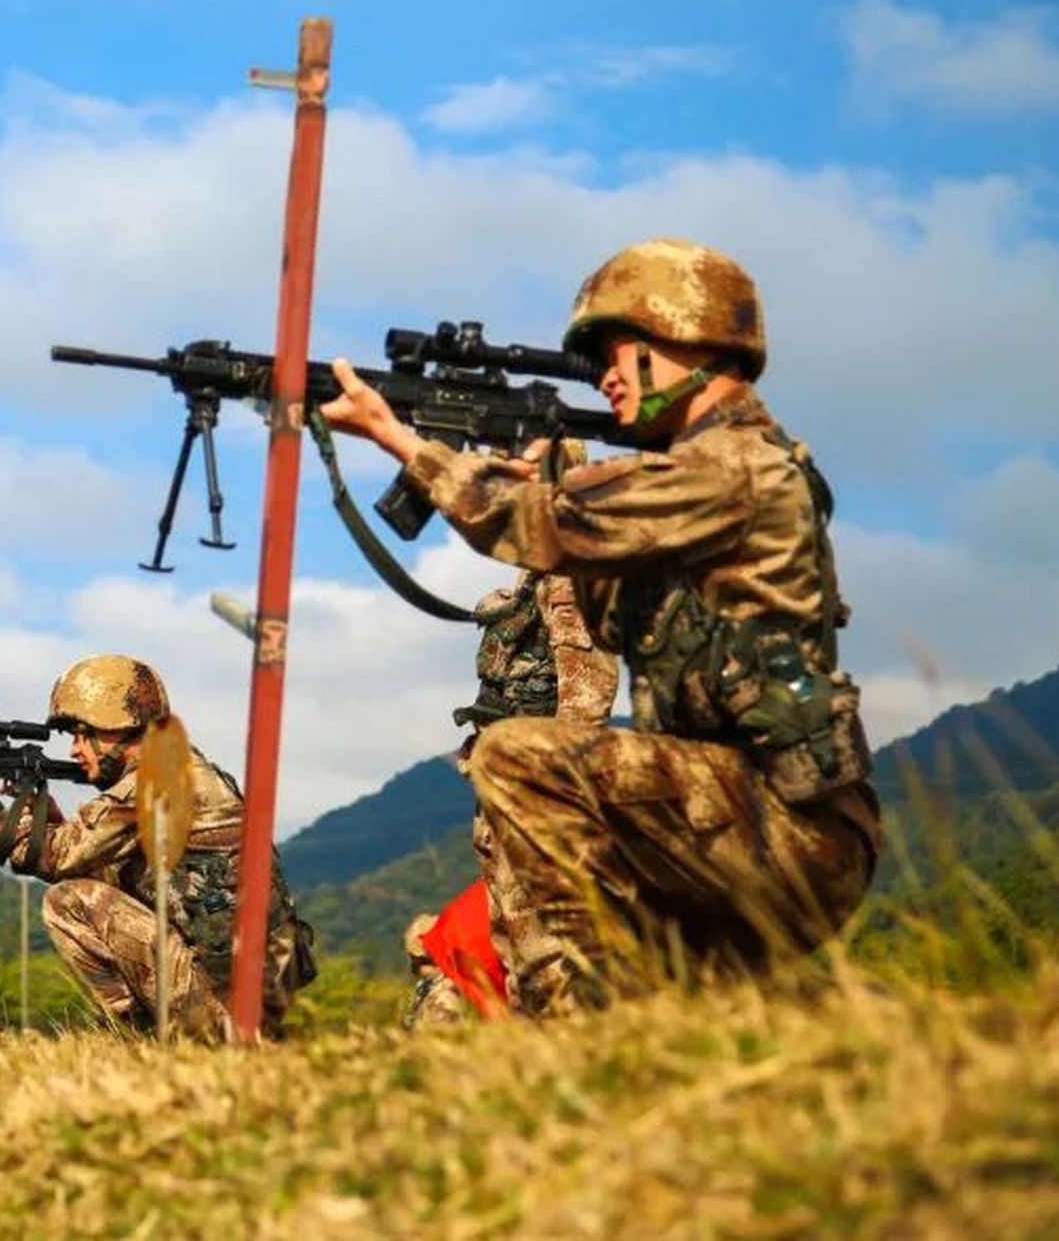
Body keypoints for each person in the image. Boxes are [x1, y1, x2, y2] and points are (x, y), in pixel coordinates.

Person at [321, 237, 880, 1016]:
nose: (605, 377)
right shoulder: (695, 473)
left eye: (618, 352)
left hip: (787, 827)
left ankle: (572, 1029)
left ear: (685, 339)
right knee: (706, 1027)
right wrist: (556, 486)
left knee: (516, 756)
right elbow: (605, 610)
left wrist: (400, 440)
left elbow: (530, 524)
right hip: (723, 817)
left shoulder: (732, 465)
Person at [0, 655, 317, 1042]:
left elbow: (56, 859)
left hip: (229, 1009)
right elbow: (81, 860)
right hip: (249, 995)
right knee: (103, 879)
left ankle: (147, 1038)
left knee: (70, 902)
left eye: (81, 734)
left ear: (114, 726)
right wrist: (46, 822)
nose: (74, 749)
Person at [406, 440, 618, 1030]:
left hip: (537, 799)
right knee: (517, 959)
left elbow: (584, 703)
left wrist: (550, 799)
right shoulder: (535, 579)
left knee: (547, 961)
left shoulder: (568, 578)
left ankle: (568, 1056)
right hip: (502, 794)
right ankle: (532, 1062)